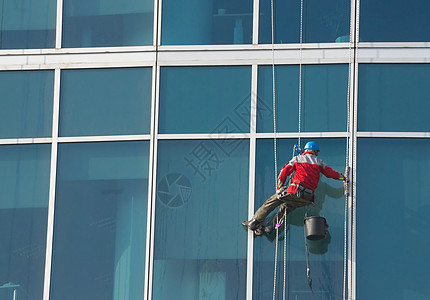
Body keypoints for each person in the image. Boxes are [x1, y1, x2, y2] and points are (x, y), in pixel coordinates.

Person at [242, 141, 348, 235]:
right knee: (286, 208)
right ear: (315, 151)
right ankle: (270, 227)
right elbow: (331, 173)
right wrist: (343, 177)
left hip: (294, 191)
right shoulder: (319, 162)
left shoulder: (298, 159)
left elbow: (284, 172)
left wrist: (279, 187)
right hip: (307, 198)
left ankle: (254, 222)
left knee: (272, 201)